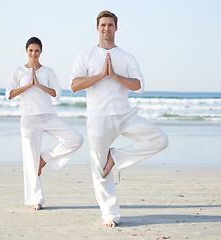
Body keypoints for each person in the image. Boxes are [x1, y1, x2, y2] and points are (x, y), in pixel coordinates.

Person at [70, 10, 168, 227]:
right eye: (103, 25)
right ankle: (110, 214)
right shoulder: (85, 55)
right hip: (98, 118)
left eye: (110, 25)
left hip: (125, 115)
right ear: (97, 28)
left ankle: (117, 157)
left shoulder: (126, 57)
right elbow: (75, 86)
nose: (107, 29)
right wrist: (101, 75)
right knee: (100, 170)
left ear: (116, 28)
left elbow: (138, 86)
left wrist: (114, 75)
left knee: (160, 140)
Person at [6, 37, 83, 211]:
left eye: (37, 50)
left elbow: (57, 93)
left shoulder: (48, 71)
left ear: (41, 52)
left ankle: (44, 158)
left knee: (76, 139)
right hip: (28, 119)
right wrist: (28, 85)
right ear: (26, 51)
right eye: (31, 50)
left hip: (48, 116)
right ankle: (36, 199)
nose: (34, 54)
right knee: (29, 161)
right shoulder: (18, 72)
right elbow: (9, 94)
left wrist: (38, 84)